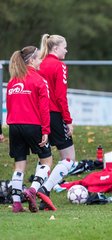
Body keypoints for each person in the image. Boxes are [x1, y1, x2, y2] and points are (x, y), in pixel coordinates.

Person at [6, 46, 55, 213]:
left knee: (19, 165)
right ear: (32, 60)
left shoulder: (13, 81)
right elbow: (44, 108)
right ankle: (32, 190)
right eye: (39, 58)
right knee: (47, 160)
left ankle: (17, 203)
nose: (41, 61)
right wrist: (46, 131)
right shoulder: (39, 80)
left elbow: (9, 105)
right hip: (32, 125)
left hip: (14, 126)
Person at [37, 33, 76, 210]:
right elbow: (61, 96)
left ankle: (36, 191)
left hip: (38, 115)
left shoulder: (38, 63)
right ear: (55, 48)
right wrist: (68, 120)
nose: (66, 50)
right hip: (53, 114)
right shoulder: (59, 66)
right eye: (64, 47)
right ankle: (45, 189)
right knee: (69, 158)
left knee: (45, 158)